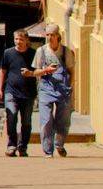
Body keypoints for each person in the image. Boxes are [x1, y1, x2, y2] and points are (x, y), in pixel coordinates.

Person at [30, 23, 73, 158]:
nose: (50, 37)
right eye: (47, 35)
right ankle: (48, 150)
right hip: (46, 88)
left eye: (52, 35)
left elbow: (71, 71)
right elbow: (35, 71)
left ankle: (59, 144)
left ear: (58, 36)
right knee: (46, 119)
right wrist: (46, 70)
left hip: (63, 89)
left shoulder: (65, 52)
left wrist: (70, 86)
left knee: (63, 120)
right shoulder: (41, 51)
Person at [0, 29, 36, 157]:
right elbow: (2, 71)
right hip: (11, 91)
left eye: (21, 39)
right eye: (16, 39)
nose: (18, 42)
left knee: (26, 121)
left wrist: (31, 73)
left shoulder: (33, 54)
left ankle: (23, 146)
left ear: (26, 40)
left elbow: (39, 71)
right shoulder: (8, 53)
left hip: (28, 93)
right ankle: (11, 145)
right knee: (11, 116)